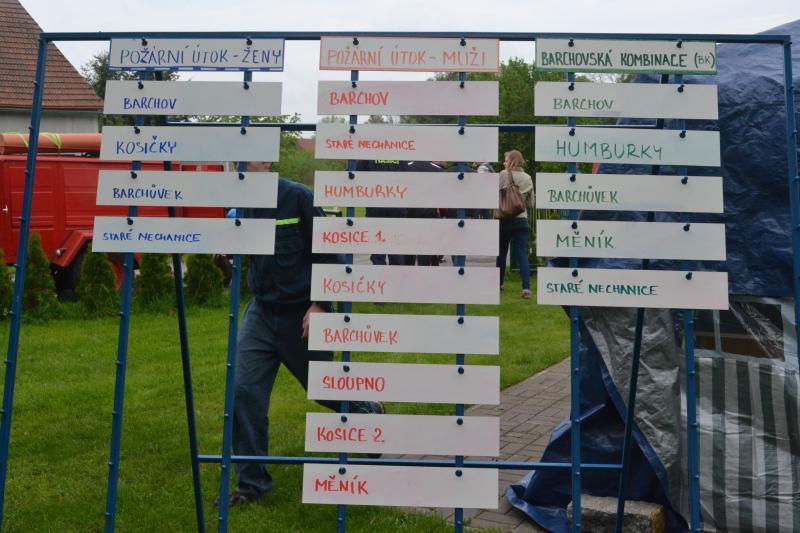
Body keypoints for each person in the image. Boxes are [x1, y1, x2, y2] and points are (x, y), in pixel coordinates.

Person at [227, 161, 382, 506]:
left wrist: (320, 305)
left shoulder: (297, 197)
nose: (240, 164)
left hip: (301, 313)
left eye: (249, 157)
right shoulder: (241, 202)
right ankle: (251, 484)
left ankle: (368, 411)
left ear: (267, 161)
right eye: (237, 158)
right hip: (261, 312)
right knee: (243, 392)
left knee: (324, 388)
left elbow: (332, 254)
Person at [356, 159, 408, 266]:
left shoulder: (368, 156)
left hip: (376, 205)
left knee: (377, 246)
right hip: (396, 205)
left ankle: (380, 274)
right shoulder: (400, 155)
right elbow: (407, 176)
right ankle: (397, 274)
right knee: (395, 245)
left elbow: (356, 174)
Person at [497, 150, 533, 299]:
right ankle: (526, 288)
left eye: (506, 159)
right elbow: (531, 203)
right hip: (521, 220)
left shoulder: (503, 174)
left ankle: (499, 284)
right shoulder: (527, 177)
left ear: (511, 160)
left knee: (501, 252)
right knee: (522, 254)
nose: (504, 162)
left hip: (504, 219)